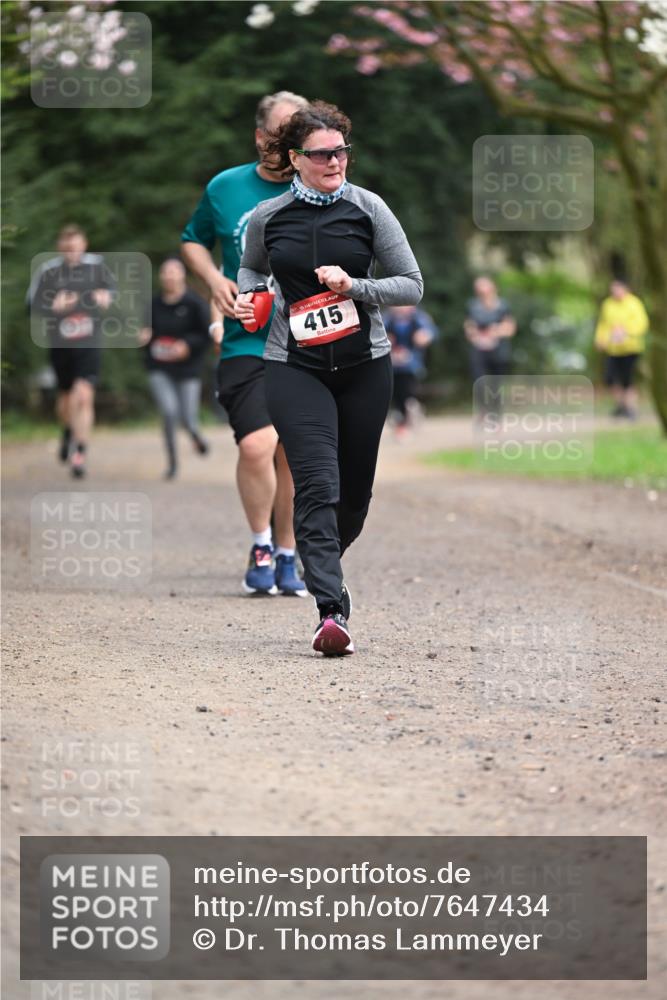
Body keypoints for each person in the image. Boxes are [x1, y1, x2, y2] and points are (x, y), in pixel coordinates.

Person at [235, 100, 423, 656]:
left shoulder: (369, 209)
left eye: (341, 151)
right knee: (317, 483)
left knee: (354, 494)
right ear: (295, 159)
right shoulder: (268, 217)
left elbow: (411, 284)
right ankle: (330, 611)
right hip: (295, 367)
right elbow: (251, 268)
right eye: (321, 154)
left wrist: (354, 287)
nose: (335, 161)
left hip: (365, 366)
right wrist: (251, 297)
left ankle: (321, 559)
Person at [181, 91, 308, 597]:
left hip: (307, 341)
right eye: (280, 131)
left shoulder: (320, 186)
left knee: (294, 454)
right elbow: (193, 239)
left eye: (298, 133)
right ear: (259, 136)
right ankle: (261, 545)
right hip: (246, 342)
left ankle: (288, 552)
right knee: (258, 445)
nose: (289, 142)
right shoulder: (226, 187)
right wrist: (214, 279)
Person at [26, 224, 115, 478]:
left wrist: (106, 297)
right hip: (61, 344)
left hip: (89, 342)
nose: (71, 251)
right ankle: (67, 430)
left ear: (84, 244)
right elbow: (31, 304)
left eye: (75, 246)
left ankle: (80, 454)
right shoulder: (48, 270)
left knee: (84, 395)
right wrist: (52, 306)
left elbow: (112, 292)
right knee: (65, 399)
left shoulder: (97, 266)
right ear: (60, 248)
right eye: (66, 247)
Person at [138, 257, 212, 479]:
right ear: (161, 277)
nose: (169, 276)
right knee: (169, 412)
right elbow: (143, 331)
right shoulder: (153, 305)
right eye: (165, 272)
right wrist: (143, 336)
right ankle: (172, 463)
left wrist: (187, 345)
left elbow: (207, 335)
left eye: (174, 272)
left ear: (182, 275)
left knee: (187, 418)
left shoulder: (195, 303)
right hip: (159, 367)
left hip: (188, 369)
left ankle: (195, 435)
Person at [595, 278, 649, 420]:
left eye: (618, 289)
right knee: (610, 378)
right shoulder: (607, 304)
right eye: (613, 289)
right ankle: (620, 406)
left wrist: (625, 331)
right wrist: (600, 339)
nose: (615, 292)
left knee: (628, 379)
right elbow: (603, 324)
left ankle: (631, 409)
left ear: (625, 289)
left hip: (631, 348)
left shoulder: (634, 303)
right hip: (612, 349)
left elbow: (642, 323)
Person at [464, 276, 516, 417]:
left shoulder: (503, 306)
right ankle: (483, 410)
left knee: (495, 386)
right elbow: (469, 326)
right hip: (479, 350)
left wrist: (496, 331)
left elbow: (510, 328)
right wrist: (475, 336)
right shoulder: (473, 306)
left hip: (499, 351)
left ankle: (496, 415)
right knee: (479, 382)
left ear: (493, 288)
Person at [384, 304, 438, 438]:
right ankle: (404, 416)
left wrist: (424, 337)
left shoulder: (419, 318)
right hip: (392, 363)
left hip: (412, 364)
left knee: (406, 392)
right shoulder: (387, 319)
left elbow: (431, 332)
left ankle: (406, 417)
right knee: (394, 392)